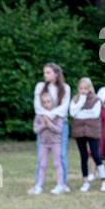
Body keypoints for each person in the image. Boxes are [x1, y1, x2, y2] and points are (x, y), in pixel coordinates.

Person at [32, 62, 71, 194]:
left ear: (56, 74)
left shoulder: (65, 88)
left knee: (61, 155)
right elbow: (37, 105)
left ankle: (62, 183)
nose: (45, 75)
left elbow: (64, 107)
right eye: (44, 72)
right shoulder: (40, 86)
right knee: (40, 156)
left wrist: (50, 116)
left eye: (48, 72)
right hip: (43, 125)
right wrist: (45, 118)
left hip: (59, 124)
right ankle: (38, 184)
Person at [68, 78, 102, 192]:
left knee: (96, 155)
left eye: (85, 88)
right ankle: (85, 181)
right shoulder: (75, 99)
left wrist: (80, 114)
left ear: (90, 88)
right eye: (81, 88)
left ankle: (104, 180)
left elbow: (95, 114)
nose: (83, 91)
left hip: (93, 131)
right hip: (79, 132)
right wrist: (81, 102)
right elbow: (73, 113)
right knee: (83, 156)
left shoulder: (96, 99)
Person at [30, 91, 65, 195]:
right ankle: (39, 185)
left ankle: (60, 185)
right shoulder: (39, 115)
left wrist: (49, 124)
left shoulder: (58, 115)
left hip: (55, 143)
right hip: (43, 144)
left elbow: (59, 130)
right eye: (44, 102)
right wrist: (43, 126)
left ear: (52, 102)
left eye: (48, 102)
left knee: (57, 164)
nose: (46, 104)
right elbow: (36, 130)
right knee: (42, 164)